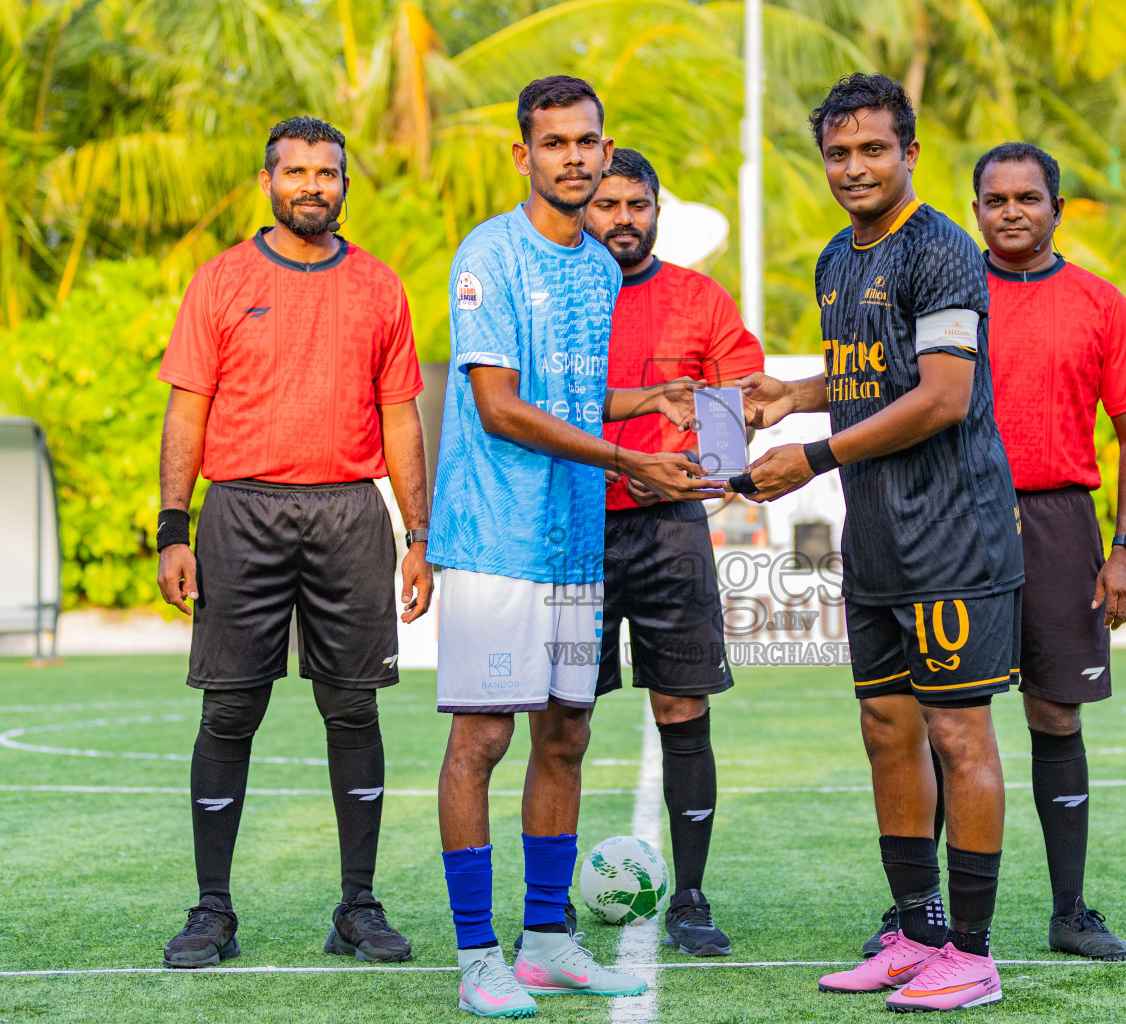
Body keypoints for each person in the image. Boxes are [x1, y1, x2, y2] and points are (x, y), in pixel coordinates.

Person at [427, 77, 719, 1019]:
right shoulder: (487, 255)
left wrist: (657, 400)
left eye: (587, 141)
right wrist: (630, 455)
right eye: (554, 143)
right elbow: (501, 406)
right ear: (525, 156)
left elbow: (572, 397)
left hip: (572, 545)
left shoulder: (597, 266)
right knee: (482, 738)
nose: (574, 158)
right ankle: (478, 954)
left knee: (568, 733)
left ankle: (546, 940)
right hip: (492, 538)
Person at [733, 73, 1019, 1013]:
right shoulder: (834, 259)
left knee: (956, 733)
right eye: (839, 153)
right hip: (880, 543)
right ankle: (916, 931)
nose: (855, 168)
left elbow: (940, 394)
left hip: (953, 534)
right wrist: (795, 393)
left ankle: (971, 954)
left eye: (873, 150)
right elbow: (875, 370)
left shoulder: (941, 249)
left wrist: (810, 455)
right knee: (886, 730)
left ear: (910, 154)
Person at [155, 116, 429, 969]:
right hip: (240, 513)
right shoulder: (221, 279)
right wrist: (174, 527)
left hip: (351, 515)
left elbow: (401, 418)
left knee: (352, 707)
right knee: (230, 709)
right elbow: (186, 409)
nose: (312, 185)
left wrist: (419, 536)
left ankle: (358, 906)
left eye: (328, 172)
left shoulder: (381, 287)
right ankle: (211, 912)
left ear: (346, 184)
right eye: (296, 171)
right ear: (268, 181)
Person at [975, 141, 1126, 960]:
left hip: (1060, 521)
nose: (1011, 211)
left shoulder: (1099, 302)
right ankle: (927, 916)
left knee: (1055, 711)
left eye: (1027, 197)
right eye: (995, 199)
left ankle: (1070, 911)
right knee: (949, 718)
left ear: (1056, 207)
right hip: (960, 519)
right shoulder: (952, 294)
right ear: (976, 211)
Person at [585, 147, 765, 956]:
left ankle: (690, 896)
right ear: (583, 204)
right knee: (561, 721)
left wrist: (720, 469)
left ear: (658, 209)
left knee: (683, 710)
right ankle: (547, 895)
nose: (623, 218)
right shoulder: (559, 295)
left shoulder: (699, 297)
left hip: (670, 533)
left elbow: (741, 391)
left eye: (638, 204)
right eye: (607, 203)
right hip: (573, 532)